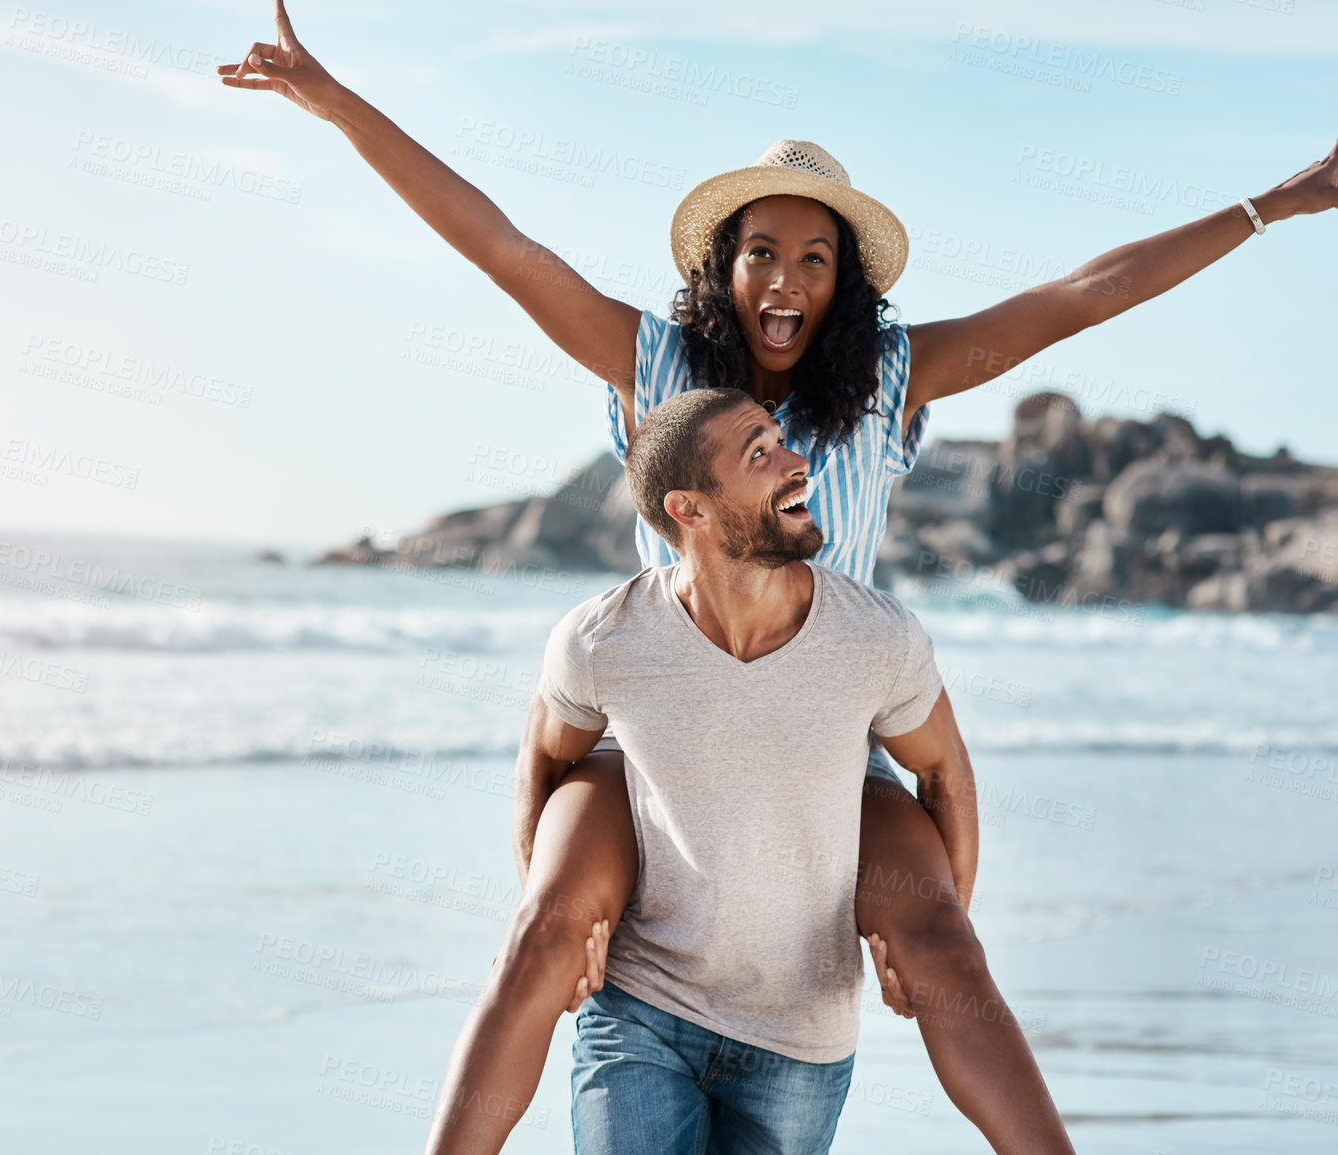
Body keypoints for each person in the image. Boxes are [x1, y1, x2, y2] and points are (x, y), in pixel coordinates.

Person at [219, 4, 1338, 1151]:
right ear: (727, 263)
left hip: (825, 740)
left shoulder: (894, 377)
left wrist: (1273, 204)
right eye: (763, 251)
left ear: (844, 280)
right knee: (545, 926)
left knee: (947, 940)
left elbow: (1083, 294)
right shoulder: (649, 361)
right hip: (661, 734)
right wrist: (334, 101)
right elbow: (502, 247)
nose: (786, 278)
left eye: (816, 256)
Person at [504, 385, 973, 1154]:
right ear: (688, 509)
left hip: (800, 1036)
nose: (798, 463)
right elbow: (545, 756)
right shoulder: (605, 638)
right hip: (641, 1010)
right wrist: (544, 914)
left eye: (783, 441)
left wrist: (944, 930)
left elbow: (946, 772)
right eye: (762, 453)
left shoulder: (871, 635)